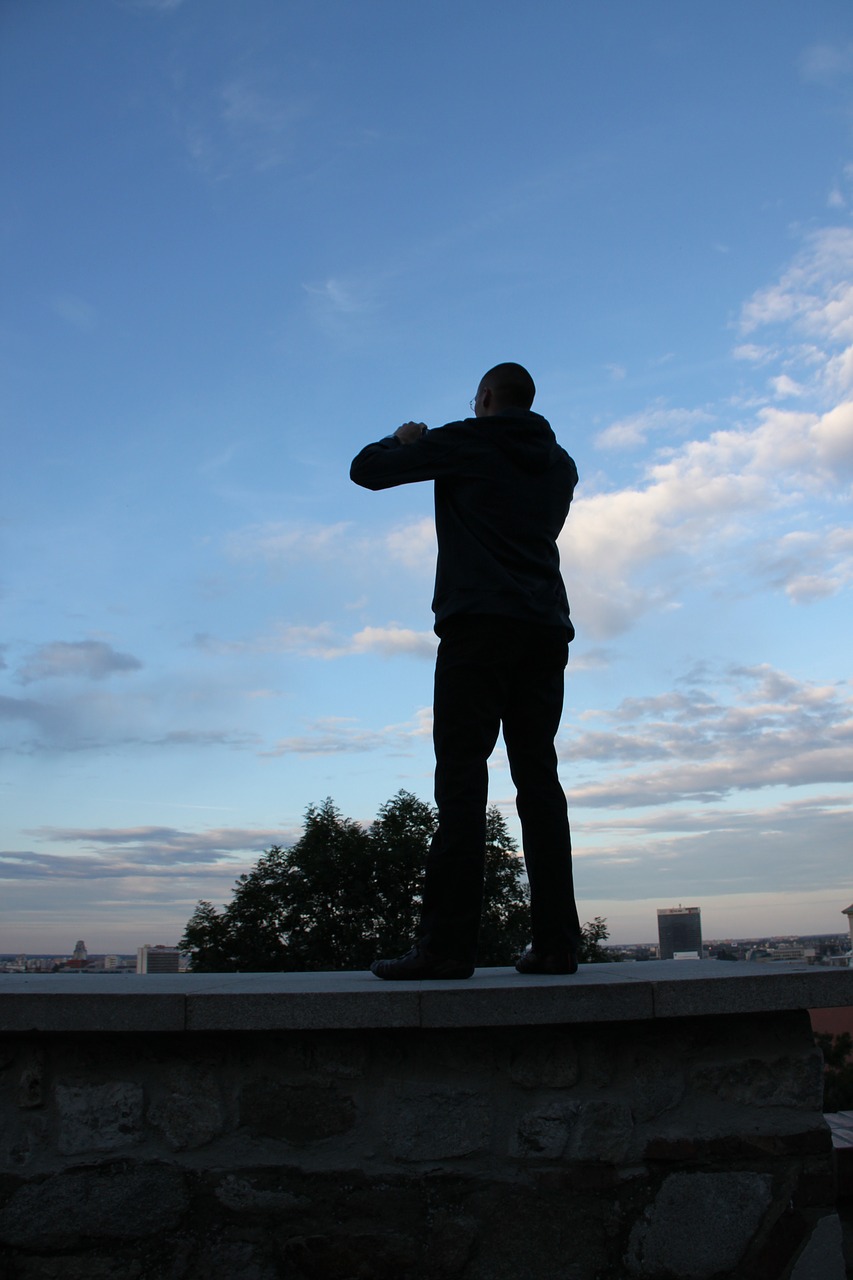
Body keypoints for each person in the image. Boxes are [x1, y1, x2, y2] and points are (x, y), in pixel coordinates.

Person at [350, 362, 581, 979]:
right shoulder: (561, 465)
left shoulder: (466, 439)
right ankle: (558, 944)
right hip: (544, 630)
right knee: (539, 781)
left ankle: (448, 948)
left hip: (477, 627)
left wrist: (403, 442)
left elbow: (366, 472)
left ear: (484, 399)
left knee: (461, 781)